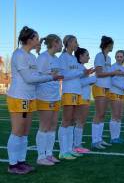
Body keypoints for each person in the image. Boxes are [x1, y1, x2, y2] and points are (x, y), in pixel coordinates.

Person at [6, 26, 63, 174]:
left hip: (30, 98)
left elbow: (37, 77)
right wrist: (51, 76)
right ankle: (13, 165)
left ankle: (21, 162)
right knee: (17, 131)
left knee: (25, 132)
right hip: (19, 97)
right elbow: (29, 78)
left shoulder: (32, 57)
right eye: (36, 38)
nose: (39, 41)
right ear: (30, 39)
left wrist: (49, 74)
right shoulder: (19, 54)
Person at [58, 35, 93, 160]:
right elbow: (63, 75)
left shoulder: (73, 58)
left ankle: (69, 148)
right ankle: (63, 151)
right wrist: (81, 73)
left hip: (77, 92)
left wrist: (85, 73)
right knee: (66, 120)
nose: (77, 43)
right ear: (68, 43)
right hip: (69, 91)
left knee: (72, 120)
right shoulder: (63, 57)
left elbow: (77, 75)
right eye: (75, 42)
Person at [92, 36, 124, 149]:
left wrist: (114, 73)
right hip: (99, 87)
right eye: (112, 44)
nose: (113, 47)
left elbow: (107, 73)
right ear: (108, 45)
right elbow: (98, 74)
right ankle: (95, 141)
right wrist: (113, 73)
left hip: (107, 88)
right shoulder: (99, 56)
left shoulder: (109, 58)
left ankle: (99, 139)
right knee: (99, 114)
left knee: (103, 115)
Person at [36, 34, 64, 166]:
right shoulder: (43, 57)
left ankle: (49, 154)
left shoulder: (57, 59)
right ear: (54, 42)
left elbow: (58, 76)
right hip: (44, 96)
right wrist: (50, 75)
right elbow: (36, 76)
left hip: (55, 96)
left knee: (53, 126)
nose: (62, 46)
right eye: (60, 43)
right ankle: (41, 156)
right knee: (44, 126)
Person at [73, 47, 96, 153]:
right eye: (87, 55)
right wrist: (94, 78)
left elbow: (84, 82)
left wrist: (90, 77)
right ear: (80, 56)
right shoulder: (77, 67)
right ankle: (76, 145)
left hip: (85, 97)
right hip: (81, 97)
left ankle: (77, 144)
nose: (89, 57)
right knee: (80, 121)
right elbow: (79, 83)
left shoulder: (82, 67)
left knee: (81, 122)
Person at [109, 50, 124, 143]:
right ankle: (113, 138)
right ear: (115, 57)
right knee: (115, 115)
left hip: (122, 94)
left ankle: (117, 137)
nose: (119, 58)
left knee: (120, 116)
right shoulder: (112, 67)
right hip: (114, 93)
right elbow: (112, 81)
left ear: (123, 58)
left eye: (121, 56)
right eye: (117, 56)